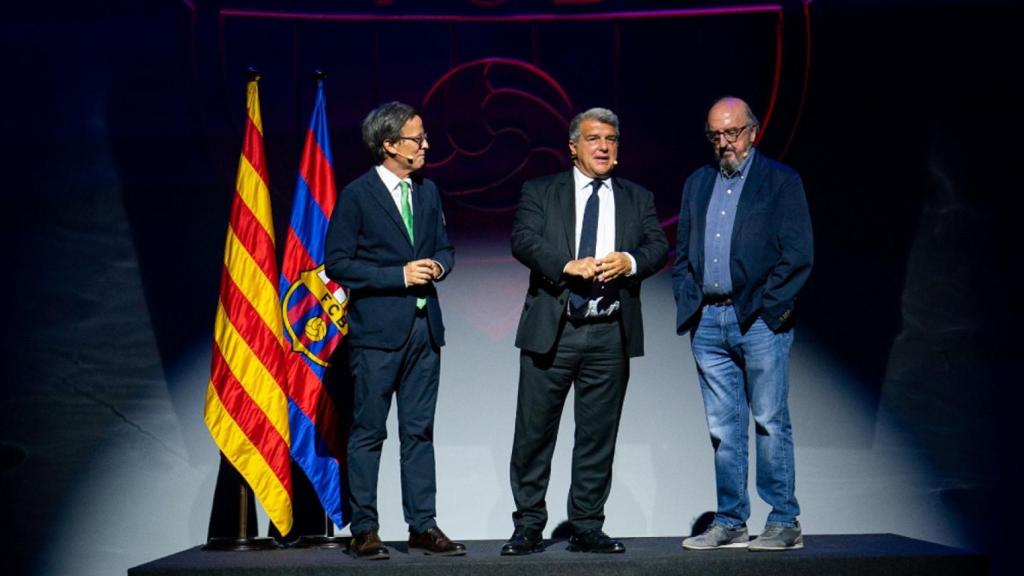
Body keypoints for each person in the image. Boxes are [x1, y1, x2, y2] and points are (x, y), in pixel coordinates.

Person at [503, 107, 668, 556]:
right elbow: (524, 239)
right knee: (534, 433)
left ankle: (587, 525)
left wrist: (630, 262)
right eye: (594, 138)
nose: (603, 146)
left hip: (609, 332)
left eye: (611, 139)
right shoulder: (541, 191)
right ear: (573, 146)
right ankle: (528, 526)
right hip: (554, 330)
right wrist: (564, 265)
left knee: (598, 436)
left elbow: (658, 246)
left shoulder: (637, 197)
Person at [324, 101, 464, 559]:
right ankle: (364, 528)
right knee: (368, 432)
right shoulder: (358, 196)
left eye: (424, 137)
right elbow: (338, 264)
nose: (426, 145)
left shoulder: (428, 192)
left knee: (419, 433)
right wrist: (398, 275)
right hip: (376, 336)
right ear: (388, 145)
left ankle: (423, 525)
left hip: (425, 331)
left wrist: (439, 267)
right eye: (416, 138)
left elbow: (445, 248)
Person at [672, 96, 813, 551]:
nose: (724, 143)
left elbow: (798, 254)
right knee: (723, 427)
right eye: (716, 135)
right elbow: (682, 255)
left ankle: (784, 521)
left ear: (753, 132)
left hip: (758, 319)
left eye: (732, 132)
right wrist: (689, 301)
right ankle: (731, 520)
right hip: (709, 321)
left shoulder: (780, 181)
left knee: (770, 420)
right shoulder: (698, 182)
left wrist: (771, 310)